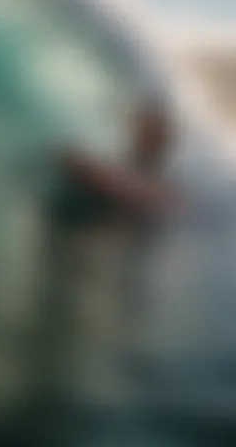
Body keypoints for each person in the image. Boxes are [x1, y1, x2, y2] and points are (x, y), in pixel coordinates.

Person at [26, 97, 176, 434]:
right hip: (107, 238)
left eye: (148, 131)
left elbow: (154, 202)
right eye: (139, 129)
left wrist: (94, 175)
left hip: (130, 249)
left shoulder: (162, 184)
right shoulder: (133, 168)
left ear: (159, 141)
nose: (138, 135)